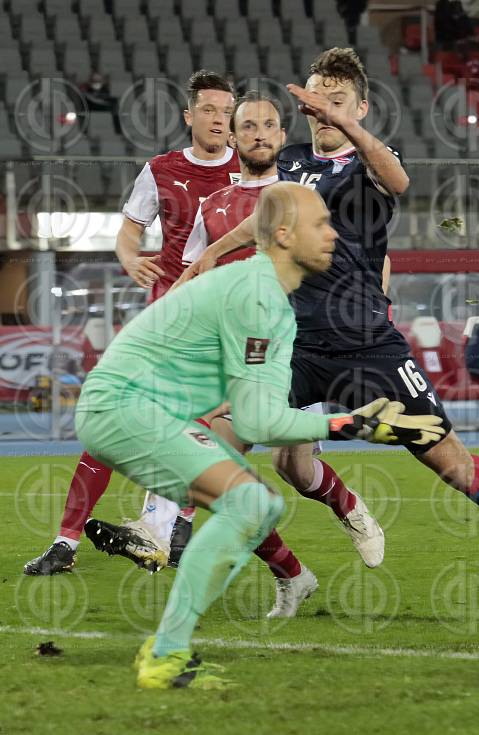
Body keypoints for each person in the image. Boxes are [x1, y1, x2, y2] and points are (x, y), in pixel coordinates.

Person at [180, 47, 479, 615]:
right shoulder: (289, 163)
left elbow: (400, 179)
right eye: (316, 100)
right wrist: (211, 254)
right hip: (297, 347)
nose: (320, 109)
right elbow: (266, 218)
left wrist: (347, 126)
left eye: (335, 101)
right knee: (212, 446)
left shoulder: (371, 162)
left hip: (368, 346)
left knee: (452, 465)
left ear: (359, 106)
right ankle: (281, 567)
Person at [74, 181, 436, 688]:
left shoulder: (267, 297)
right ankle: (165, 655)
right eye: (321, 224)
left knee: (253, 504)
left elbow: (257, 414)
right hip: (125, 408)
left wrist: (353, 423)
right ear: (284, 234)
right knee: (250, 503)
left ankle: (171, 646)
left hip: (132, 409)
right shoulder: (259, 297)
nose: (333, 234)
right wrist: (352, 423)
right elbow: (258, 424)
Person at [87, 92, 387, 620]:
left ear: (281, 132)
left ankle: (346, 509)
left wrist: (371, 308)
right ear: (235, 136)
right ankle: (267, 566)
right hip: (234, 352)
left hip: (299, 348)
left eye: (270, 125)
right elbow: (195, 273)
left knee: (295, 467)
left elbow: (361, 255)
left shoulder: (305, 192)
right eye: (247, 126)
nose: (259, 134)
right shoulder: (215, 206)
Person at [23, 70, 241, 576]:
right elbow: (129, 231)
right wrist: (129, 259)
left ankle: (175, 526)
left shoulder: (253, 172)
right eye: (208, 110)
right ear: (189, 117)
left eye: (225, 111)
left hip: (224, 323)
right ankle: (66, 542)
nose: (217, 120)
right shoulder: (161, 169)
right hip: (166, 318)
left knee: (200, 428)